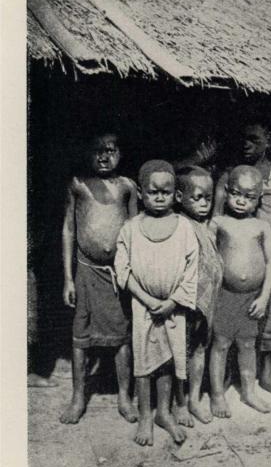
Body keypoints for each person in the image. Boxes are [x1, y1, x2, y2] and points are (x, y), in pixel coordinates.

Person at [115, 160, 198, 446]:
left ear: (176, 194)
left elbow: (192, 269)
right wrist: (148, 299)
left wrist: (173, 301)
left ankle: (164, 412)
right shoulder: (131, 228)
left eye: (166, 191)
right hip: (143, 306)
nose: (160, 197)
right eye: (153, 192)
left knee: (168, 359)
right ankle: (146, 417)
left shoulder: (185, 228)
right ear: (140, 193)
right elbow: (123, 270)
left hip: (173, 308)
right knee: (144, 361)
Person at [60, 133, 138, 424]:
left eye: (110, 150)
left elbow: (135, 230)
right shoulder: (78, 184)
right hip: (85, 271)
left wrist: (130, 272)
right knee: (81, 337)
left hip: (117, 275)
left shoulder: (127, 187)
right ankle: (78, 397)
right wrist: (68, 278)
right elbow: (68, 229)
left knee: (120, 336)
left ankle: (124, 396)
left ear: (120, 153)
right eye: (97, 151)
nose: (103, 157)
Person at [214, 124, 271, 396]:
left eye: (253, 139)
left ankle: (266, 375)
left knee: (270, 317)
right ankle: (226, 377)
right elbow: (216, 217)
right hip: (239, 249)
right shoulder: (230, 176)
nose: (246, 144)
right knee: (230, 320)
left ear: (268, 140)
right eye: (243, 139)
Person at [209, 165, 271, 417]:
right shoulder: (218, 223)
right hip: (224, 296)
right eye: (236, 193)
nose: (240, 201)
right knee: (221, 344)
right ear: (226, 192)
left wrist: (265, 296)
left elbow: (270, 263)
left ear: (258, 199)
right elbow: (206, 258)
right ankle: (217, 395)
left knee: (248, 344)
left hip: (252, 298)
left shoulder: (262, 227)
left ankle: (249, 391)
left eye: (248, 197)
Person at [174, 165, 224, 425]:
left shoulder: (206, 225)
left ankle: (194, 398)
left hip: (206, 302)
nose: (204, 204)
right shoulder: (178, 225)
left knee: (200, 348)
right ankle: (179, 402)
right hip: (184, 302)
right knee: (180, 351)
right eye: (198, 198)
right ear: (179, 197)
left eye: (208, 198)